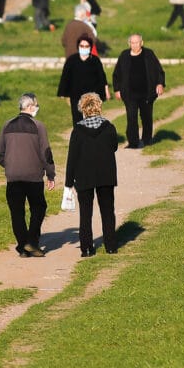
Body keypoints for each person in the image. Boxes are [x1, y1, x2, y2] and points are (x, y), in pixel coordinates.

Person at [0, 92, 56, 258]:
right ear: (29, 107)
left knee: (17, 212)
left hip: (13, 176)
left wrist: (9, 165)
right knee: (39, 207)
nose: (37, 107)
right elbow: (46, 153)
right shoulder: (39, 126)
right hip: (33, 176)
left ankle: (22, 246)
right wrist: (51, 175)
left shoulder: (7, 125)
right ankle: (31, 241)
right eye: (35, 104)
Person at [64, 92, 120, 257]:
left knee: (86, 213)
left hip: (84, 176)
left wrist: (68, 182)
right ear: (99, 107)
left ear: (83, 109)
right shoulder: (109, 127)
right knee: (108, 211)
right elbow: (114, 146)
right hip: (106, 175)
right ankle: (111, 246)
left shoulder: (78, 130)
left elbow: (72, 158)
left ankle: (87, 248)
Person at [113, 34, 166, 148]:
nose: (135, 45)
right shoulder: (124, 56)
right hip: (130, 93)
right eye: (133, 43)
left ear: (142, 43)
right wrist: (117, 89)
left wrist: (160, 83)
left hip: (146, 93)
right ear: (129, 44)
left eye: (137, 42)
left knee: (146, 117)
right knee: (131, 118)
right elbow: (117, 74)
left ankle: (147, 140)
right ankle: (133, 142)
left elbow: (159, 70)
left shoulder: (149, 54)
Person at [57, 35, 109, 124]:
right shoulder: (72, 60)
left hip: (92, 95)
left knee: (92, 118)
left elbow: (102, 77)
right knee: (77, 119)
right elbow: (65, 76)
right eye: (82, 46)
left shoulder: (95, 60)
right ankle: (78, 136)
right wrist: (63, 92)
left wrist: (106, 91)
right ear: (78, 47)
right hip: (76, 94)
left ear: (90, 47)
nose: (84, 48)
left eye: (86, 46)